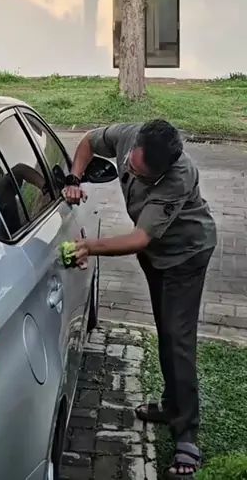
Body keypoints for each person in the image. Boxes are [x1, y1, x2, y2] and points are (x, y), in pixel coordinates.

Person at [63, 120, 217, 477]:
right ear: (135, 146)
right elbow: (88, 141)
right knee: (166, 331)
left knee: (178, 340)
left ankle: (186, 435)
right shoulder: (129, 135)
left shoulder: (179, 177)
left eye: (142, 176)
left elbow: (138, 239)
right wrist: (74, 178)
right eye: (131, 166)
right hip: (156, 256)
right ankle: (170, 405)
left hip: (185, 256)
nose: (131, 174)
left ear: (162, 172)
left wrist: (88, 246)